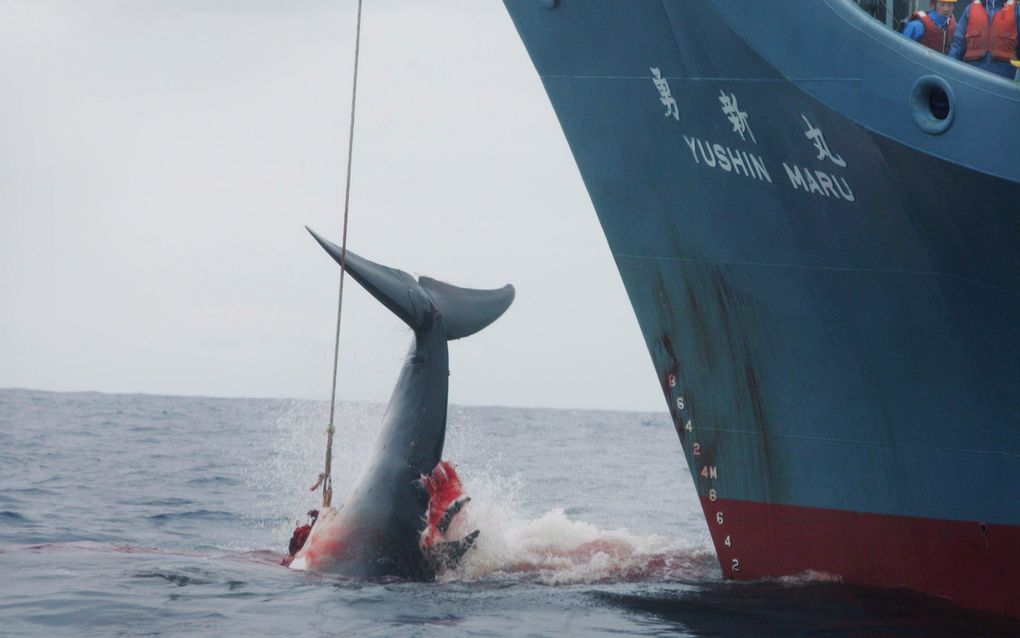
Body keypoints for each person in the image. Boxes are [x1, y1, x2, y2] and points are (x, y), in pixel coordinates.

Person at [949, 0, 1020, 79]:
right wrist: (949, 72)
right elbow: (958, 43)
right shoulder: (969, 9)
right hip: (972, 78)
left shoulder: (1017, 10)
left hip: (1006, 81)